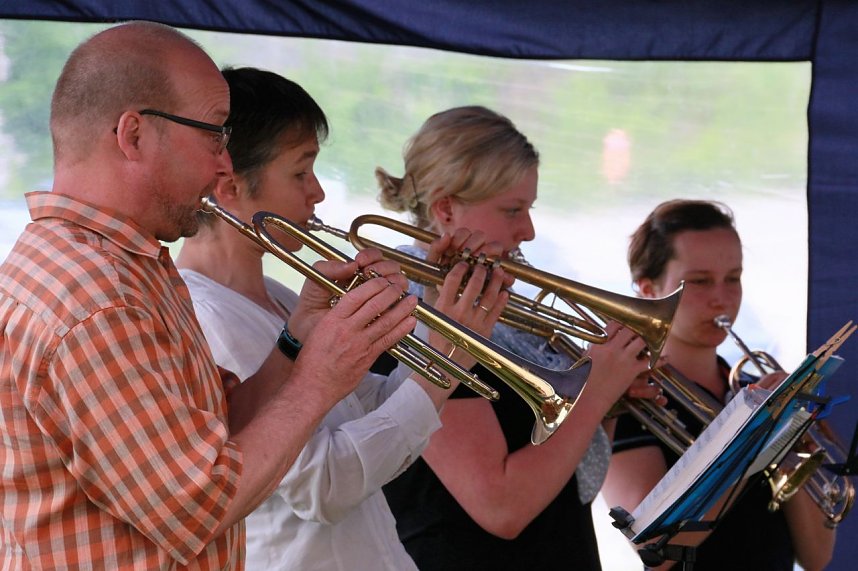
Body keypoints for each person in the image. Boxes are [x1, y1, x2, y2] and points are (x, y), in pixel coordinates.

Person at [0, 22, 422, 569]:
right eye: (215, 134)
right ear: (134, 135)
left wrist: (298, 337)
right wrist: (322, 375)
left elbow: (216, 425)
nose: (225, 163)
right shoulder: (96, 300)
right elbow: (198, 503)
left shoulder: (125, 265)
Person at [174, 68, 509, 570]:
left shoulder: (280, 296)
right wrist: (450, 354)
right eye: (300, 172)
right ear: (229, 187)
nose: (318, 194)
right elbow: (325, 486)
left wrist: (445, 323)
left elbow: (364, 407)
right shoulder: (208, 319)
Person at [375, 105, 661, 570]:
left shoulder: (492, 311)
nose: (527, 230)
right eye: (512, 210)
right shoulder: (416, 315)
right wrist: (596, 393)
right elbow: (500, 505)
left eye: (528, 209)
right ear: (445, 207)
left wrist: (607, 400)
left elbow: (569, 480)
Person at [602, 198, 835, 570]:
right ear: (648, 291)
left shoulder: (755, 393)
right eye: (699, 281)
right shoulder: (626, 400)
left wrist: (789, 441)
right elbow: (656, 552)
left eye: (733, 278)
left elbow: (816, 557)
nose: (722, 299)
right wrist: (751, 441)